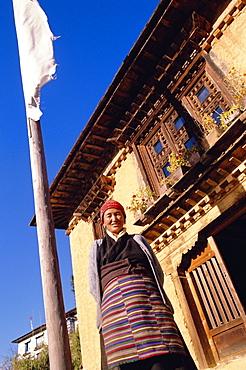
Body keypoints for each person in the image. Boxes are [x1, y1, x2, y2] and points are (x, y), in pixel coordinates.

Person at [89, 200, 190, 370]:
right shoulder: (98, 246)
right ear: (103, 221)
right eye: (109, 216)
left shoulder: (138, 240)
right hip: (115, 310)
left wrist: (147, 288)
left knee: (161, 352)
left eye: (118, 214)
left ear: (124, 217)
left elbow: (156, 270)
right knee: (125, 357)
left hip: (148, 302)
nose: (114, 219)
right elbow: (94, 281)